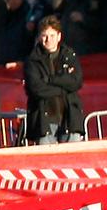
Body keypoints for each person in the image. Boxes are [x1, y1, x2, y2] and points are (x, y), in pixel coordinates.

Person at [23, 16, 84, 144]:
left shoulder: (69, 56)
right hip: (44, 122)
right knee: (46, 163)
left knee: (72, 162)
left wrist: (49, 79)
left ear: (59, 36)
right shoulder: (32, 60)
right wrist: (64, 87)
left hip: (70, 120)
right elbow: (36, 89)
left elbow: (76, 82)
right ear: (40, 37)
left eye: (52, 35)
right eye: (45, 35)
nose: (48, 40)